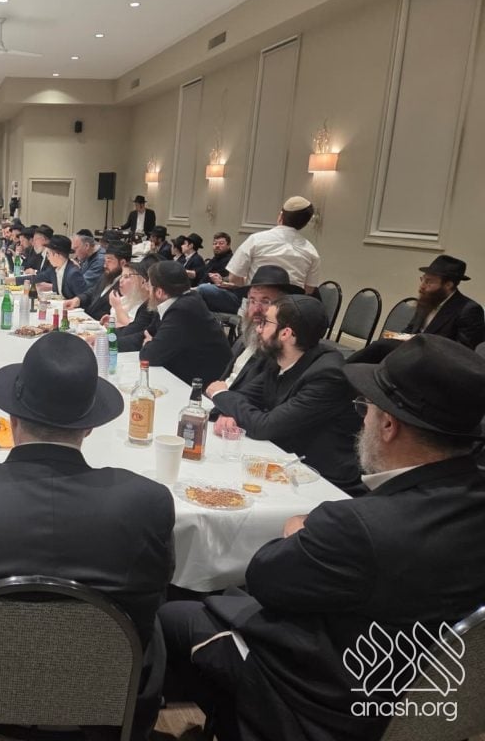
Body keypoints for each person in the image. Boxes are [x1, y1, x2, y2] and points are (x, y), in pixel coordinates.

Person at [159, 335, 485, 741]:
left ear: (388, 425)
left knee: (175, 616)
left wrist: (298, 532)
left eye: (365, 409)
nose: (362, 421)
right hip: (425, 698)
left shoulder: (355, 525)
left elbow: (264, 579)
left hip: (327, 705)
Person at [0, 331, 175, 736]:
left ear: (12, 419)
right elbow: (158, 588)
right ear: (90, 427)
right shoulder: (148, 504)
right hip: (100, 707)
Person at [206, 295, 363, 493]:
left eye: (265, 323)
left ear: (286, 333)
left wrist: (221, 394)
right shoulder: (281, 358)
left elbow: (265, 427)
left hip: (323, 482)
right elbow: (244, 396)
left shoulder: (328, 375)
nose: (259, 329)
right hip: (286, 463)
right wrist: (228, 413)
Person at [350, 255, 484, 364]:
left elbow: (462, 355)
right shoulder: (429, 300)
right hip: (410, 355)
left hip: (434, 366)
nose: (422, 286)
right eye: (423, 280)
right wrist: (396, 337)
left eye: (429, 282)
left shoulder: (468, 310)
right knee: (380, 346)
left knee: (380, 348)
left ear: (448, 285)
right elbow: (411, 330)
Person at [199, 196, 321, 313]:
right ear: (305, 223)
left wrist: (249, 286)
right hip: (288, 310)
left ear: (280, 216)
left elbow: (234, 278)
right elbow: (308, 290)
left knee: (204, 290)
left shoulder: (256, 240)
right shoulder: (311, 251)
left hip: (254, 307)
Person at [140, 261, 232, 385]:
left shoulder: (182, 309)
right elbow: (149, 332)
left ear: (159, 292)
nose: (146, 288)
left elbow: (150, 357)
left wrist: (148, 343)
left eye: (149, 285)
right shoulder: (182, 300)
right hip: (188, 373)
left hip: (205, 385)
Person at [218, 265, 303, 394]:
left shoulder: (280, 351)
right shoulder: (246, 338)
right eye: (252, 301)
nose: (256, 310)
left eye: (266, 301)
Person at [64, 240, 131, 321]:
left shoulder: (125, 285)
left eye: (109, 261)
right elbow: (93, 292)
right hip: (88, 319)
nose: (105, 265)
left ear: (123, 263)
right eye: (105, 261)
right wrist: (78, 300)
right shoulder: (107, 275)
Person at [110, 256, 160, 352]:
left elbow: (137, 335)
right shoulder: (147, 305)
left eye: (147, 281)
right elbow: (136, 333)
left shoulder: (168, 308)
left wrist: (106, 341)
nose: (145, 285)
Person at [32, 235, 88, 300]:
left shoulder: (73, 273)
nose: (47, 257)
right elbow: (37, 277)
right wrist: (21, 281)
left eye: (48, 254)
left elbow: (84, 298)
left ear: (57, 255)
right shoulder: (53, 270)